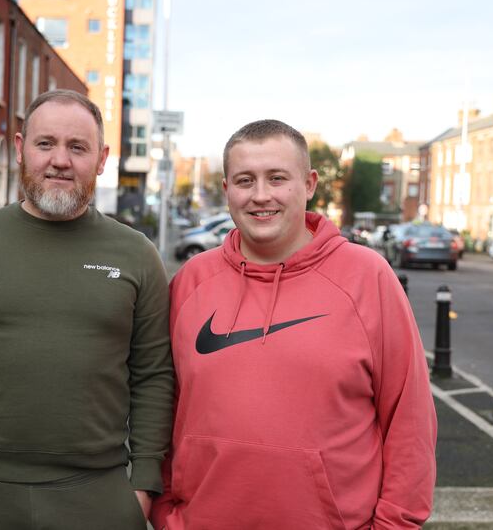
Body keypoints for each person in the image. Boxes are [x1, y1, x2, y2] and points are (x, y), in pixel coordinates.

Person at [0, 90, 173, 529]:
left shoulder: (137, 254)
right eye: (45, 143)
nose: (60, 160)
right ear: (19, 149)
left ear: (102, 159)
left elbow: (154, 375)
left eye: (77, 147)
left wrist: (142, 486)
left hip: (99, 497)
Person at [151, 120, 437, 529]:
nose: (261, 195)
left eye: (277, 178)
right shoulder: (191, 282)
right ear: (227, 188)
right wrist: (166, 514)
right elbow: (161, 407)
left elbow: (409, 422)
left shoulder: (366, 276)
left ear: (309, 184)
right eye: (245, 180)